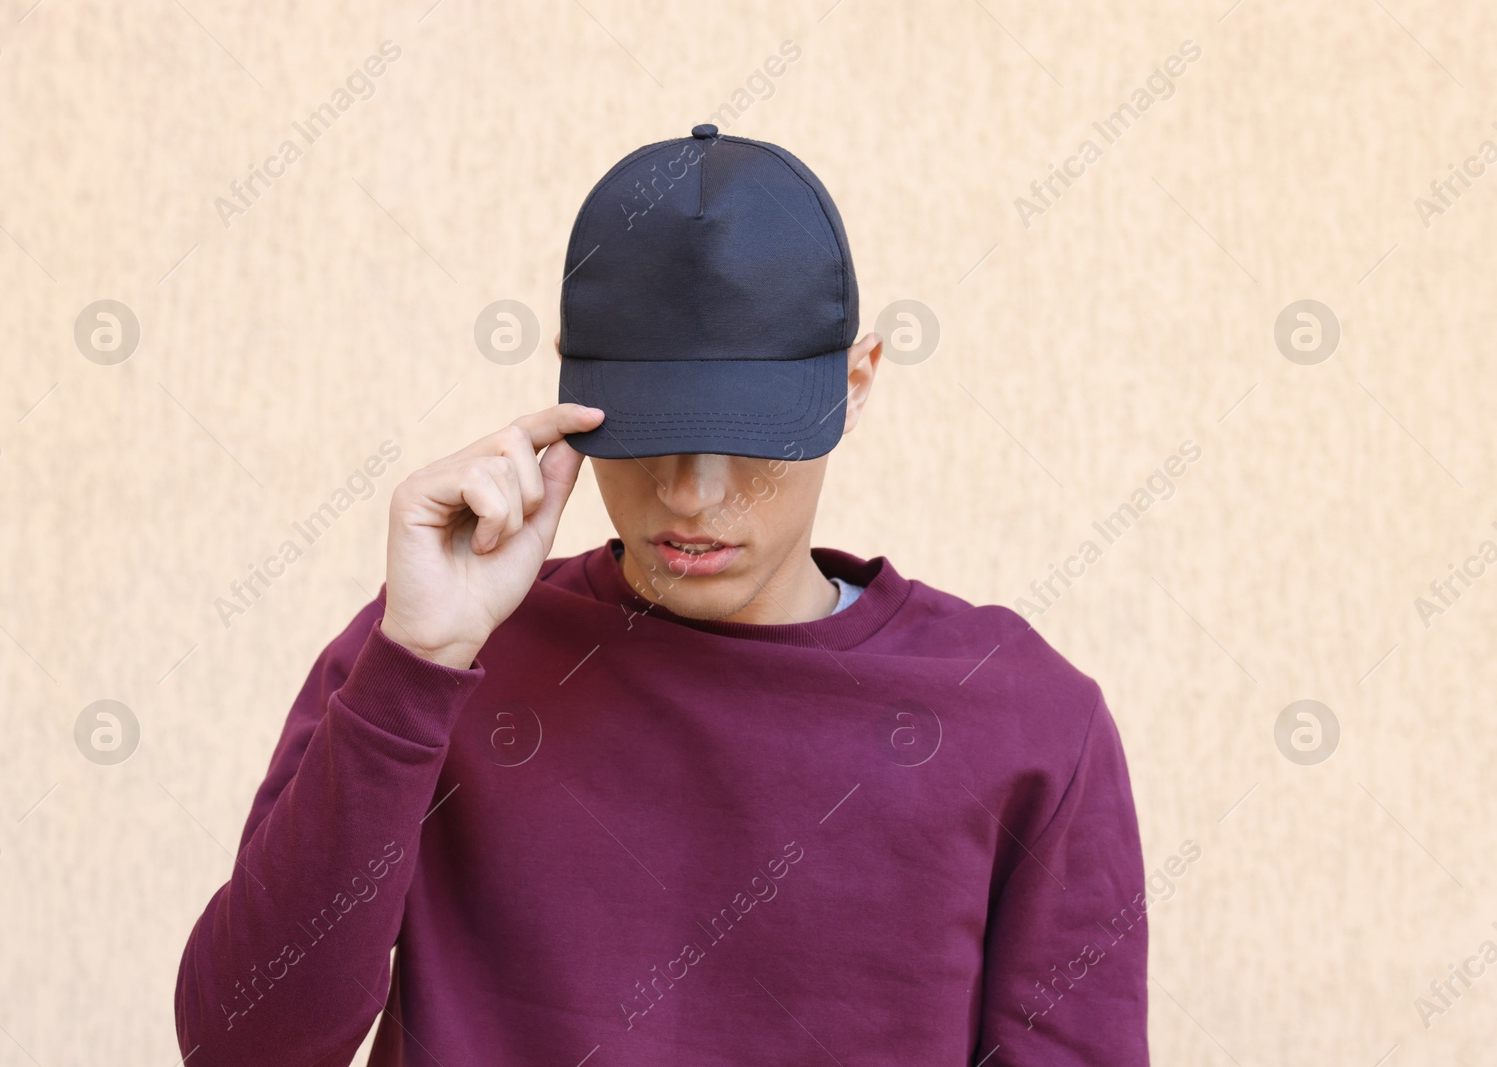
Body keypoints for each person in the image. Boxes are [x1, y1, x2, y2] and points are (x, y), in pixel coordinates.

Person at [174, 125, 1149, 1066]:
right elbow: (239, 1046)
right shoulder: (432, 654)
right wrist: (416, 666)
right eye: (647, 433)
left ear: (856, 384)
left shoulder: (1020, 716)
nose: (692, 492)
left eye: (751, 435)